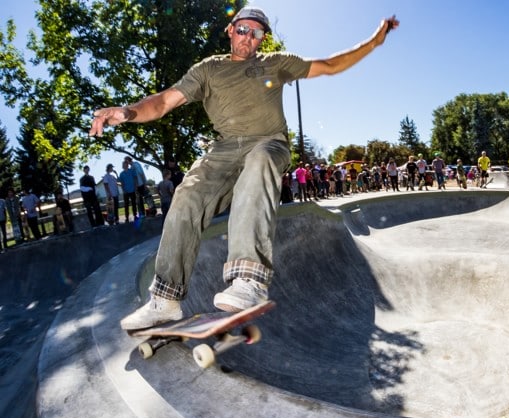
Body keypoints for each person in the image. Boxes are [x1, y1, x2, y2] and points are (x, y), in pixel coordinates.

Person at [89, 6, 399, 330]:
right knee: (188, 194)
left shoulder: (276, 63)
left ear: (262, 39)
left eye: (256, 33)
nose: (247, 38)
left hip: (268, 142)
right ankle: (165, 299)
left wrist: (375, 40)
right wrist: (127, 112)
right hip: (223, 150)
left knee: (259, 160)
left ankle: (249, 281)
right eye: (242, 30)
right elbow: (164, 101)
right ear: (230, 30)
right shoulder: (208, 70)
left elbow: (331, 66)